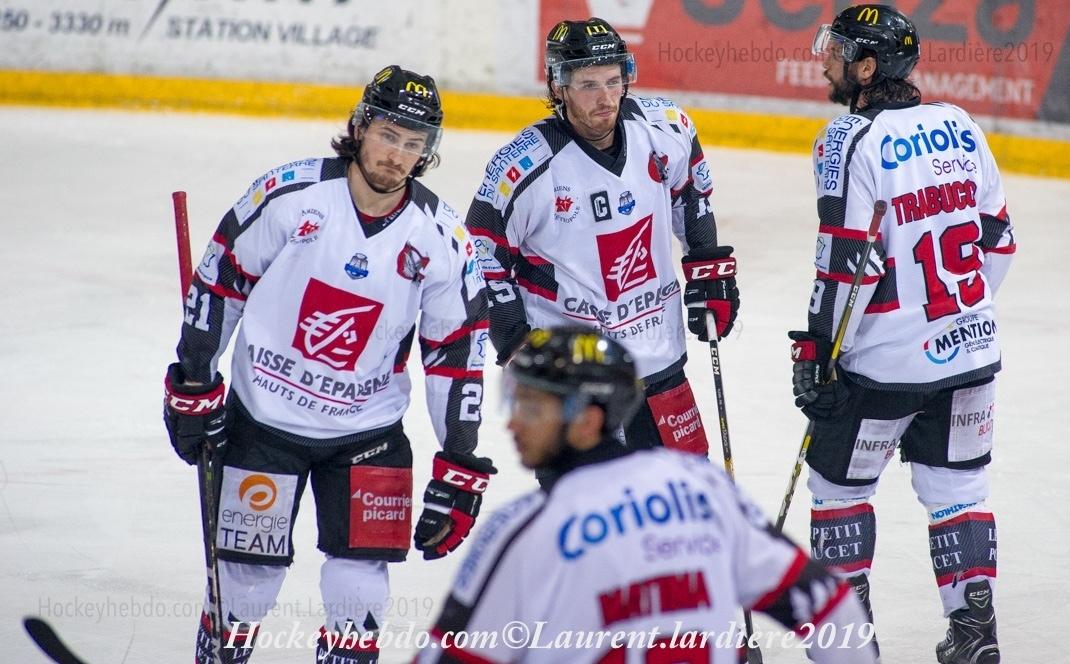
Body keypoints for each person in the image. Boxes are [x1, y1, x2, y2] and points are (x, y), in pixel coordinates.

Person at [162, 65, 495, 664]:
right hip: (263, 425)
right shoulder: (290, 196)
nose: (397, 155)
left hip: (370, 434)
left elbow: (457, 353)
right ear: (360, 127)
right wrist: (194, 380)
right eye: (388, 135)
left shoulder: (443, 237)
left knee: (359, 590)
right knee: (246, 583)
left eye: (413, 144)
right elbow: (219, 284)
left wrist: (459, 462)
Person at [416, 327, 876, 663]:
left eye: (532, 408)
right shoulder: (701, 487)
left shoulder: (526, 530)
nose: (513, 423)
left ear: (587, 421)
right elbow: (833, 608)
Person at [790, 5, 1015, 663]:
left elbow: (847, 262)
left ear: (866, 68)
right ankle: (975, 635)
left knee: (840, 491)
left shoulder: (847, 138)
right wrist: (955, 320)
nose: (824, 61)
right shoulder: (961, 124)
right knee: (959, 492)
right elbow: (999, 241)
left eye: (837, 51)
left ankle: (846, 645)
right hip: (971, 353)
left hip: (881, 368)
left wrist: (819, 350)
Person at [466, 18, 740, 472]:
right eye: (589, 85)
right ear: (558, 87)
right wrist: (514, 338)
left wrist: (709, 271)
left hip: (658, 352)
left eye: (614, 81)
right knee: (584, 505)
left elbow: (692, 196)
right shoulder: (526, 166)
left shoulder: (665, 129)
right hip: (573, 374)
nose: (606, 98)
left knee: (682, 493)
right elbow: (482, 251)